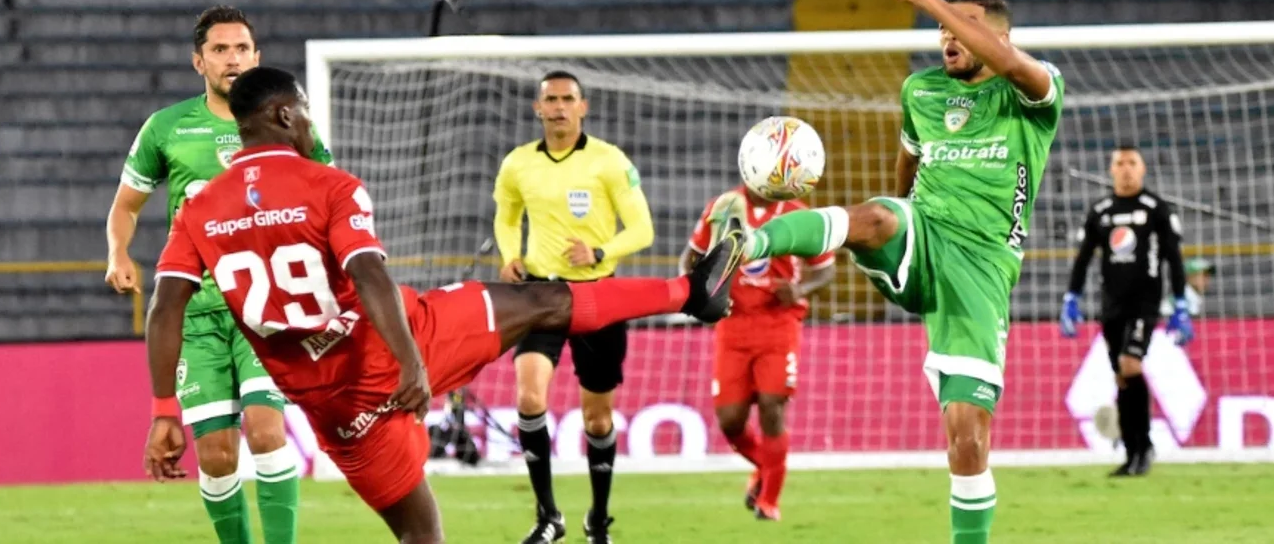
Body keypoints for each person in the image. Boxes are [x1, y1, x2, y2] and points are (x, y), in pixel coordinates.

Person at [140, 66, 745, 544]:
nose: (307, 124)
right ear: (281, 113)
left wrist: (166, 408)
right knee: (541, 300)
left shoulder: (198, 207)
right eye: (301, 111)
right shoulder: (331, 185)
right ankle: (690, 293)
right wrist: (410, 362)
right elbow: (368, 273)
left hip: (334, 406)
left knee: (421, 532)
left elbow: (165, 309)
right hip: (399, 343)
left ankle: (692, 294)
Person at [722, 0, 1066, 541]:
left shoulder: (1035, 89)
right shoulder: (922, 90)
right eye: (941, 29)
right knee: (880, 212)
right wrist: (891, 225)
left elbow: (1009, 63)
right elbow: (906, 161)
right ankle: (751, 239)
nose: (947, 38)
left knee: (967, 437)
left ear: (998, 36)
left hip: (980, 271)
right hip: (921, 234)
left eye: (962, 27)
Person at [105, 5, 333, 544]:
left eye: (241, 49)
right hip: (196, 311)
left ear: (257, 57)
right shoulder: (167, 127)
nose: (232, 59)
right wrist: (119, 253)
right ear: (198, 62)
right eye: (220, 50)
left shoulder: (289, 121)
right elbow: (125, 206)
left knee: (265, 428)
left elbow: (326, 197)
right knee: (215, 453)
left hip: (264, 305)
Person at [492, 70, 655, 543]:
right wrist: (509, 256)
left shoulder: (609, 161)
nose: (559, 107)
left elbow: (642, 229)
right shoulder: (518, 164)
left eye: (568, 99)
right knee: (528, 398)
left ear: (583, 107)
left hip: (598, 295)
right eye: (551, 100)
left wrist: (600, 252)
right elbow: (506, 217)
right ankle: (548, 517)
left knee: (597, 419)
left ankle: (597, 518)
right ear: (537, 109)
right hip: (541, 295)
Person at [679, 186, 835, 521]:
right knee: (730, 421)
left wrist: (799, 290)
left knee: (771, 405)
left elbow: (827, 268)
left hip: (778, 323)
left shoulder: (798, 212)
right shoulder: (723, 207)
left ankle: (769, 501)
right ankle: (767, 468)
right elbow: (689, 257)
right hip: (732, 323)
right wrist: (700, 297)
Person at [1061, 145, 1192, 477]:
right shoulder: (1101, 211)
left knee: (1131, 365)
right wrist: (1071, 298)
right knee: (1121, 376)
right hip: (1112, 307)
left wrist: (1180, 303)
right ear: (1111, 169)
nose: (1126, 169)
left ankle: (1144, 445)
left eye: (1132, 162)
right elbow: (1084, 258)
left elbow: (1174, 259)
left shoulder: (1156, 209)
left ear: (1143, 168)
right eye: (1120, 163)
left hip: (1144, 304)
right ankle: (1132, 452)